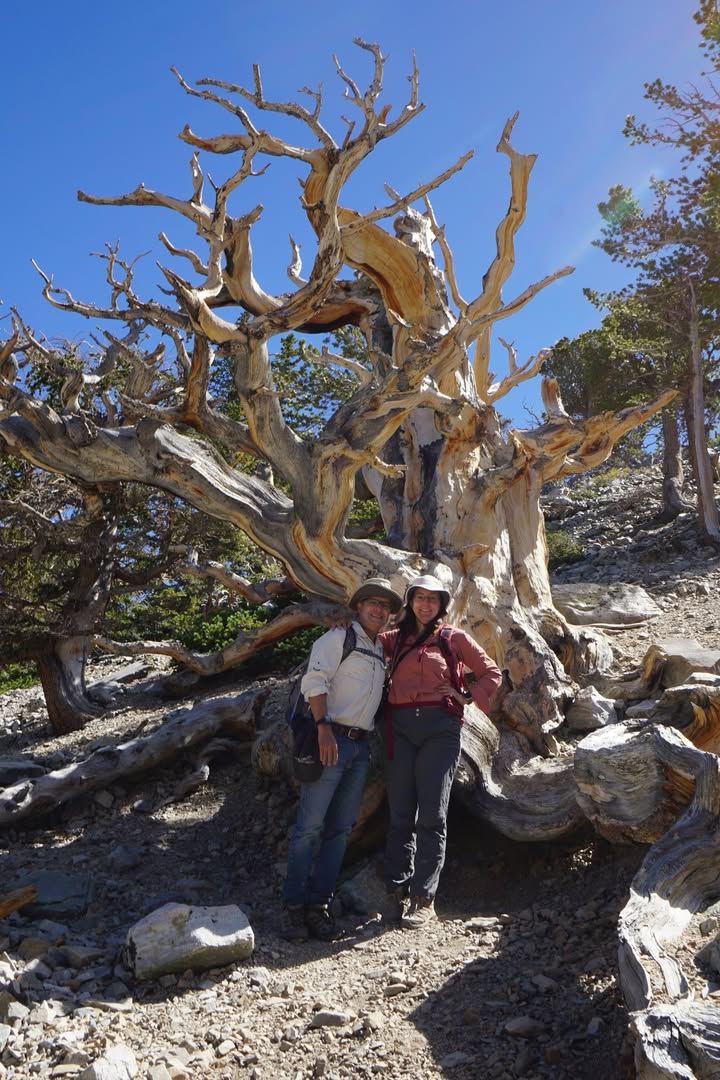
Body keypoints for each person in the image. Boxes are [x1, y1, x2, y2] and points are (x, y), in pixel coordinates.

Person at [281, 576, 404, 941]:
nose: (379, 610)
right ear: (359, 605)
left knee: (339, 831)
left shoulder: (381, 648)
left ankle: (318, 905)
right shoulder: (338, 638)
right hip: (330, 738)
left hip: (360, 746)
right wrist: (322, 728)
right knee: (309, 828)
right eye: (373, 603)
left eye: (385, 607)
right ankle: (292, 906)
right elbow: (313, 682)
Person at [380, 574, 502, 929]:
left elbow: (491, 673)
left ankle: (424, 898)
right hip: (398, 729)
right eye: (419, 597)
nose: (425, 604)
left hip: (440, 729)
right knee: (400, 813)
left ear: (442, 604)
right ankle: (395, 891)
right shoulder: (395, 639)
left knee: (432, 813)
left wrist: (466, 697)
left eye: (433, 599)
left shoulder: (453, 638)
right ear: (410, 601)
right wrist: (346, 624)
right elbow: (364, 638)